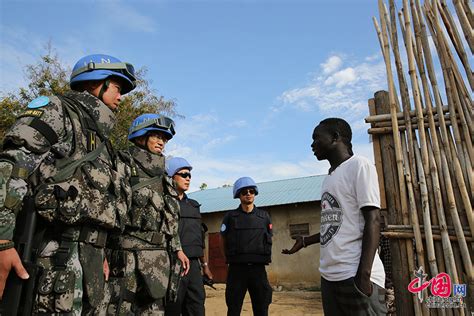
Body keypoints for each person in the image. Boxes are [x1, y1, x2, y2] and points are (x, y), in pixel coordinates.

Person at [0, 54, 136, 315]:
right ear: (96, 82)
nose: (121, 97)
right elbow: (11, 169)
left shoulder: (105, 143)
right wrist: (3, 242)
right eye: (118, 88)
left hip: (92, 263)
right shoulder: (56, 110)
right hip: (54, 257)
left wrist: (100, 252)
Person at [282, 118, 387, 316]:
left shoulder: (359, 166)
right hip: (330, 277)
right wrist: (305, 240)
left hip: (355, 276)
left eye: (316, 138)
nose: (312, 144)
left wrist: (363, 277)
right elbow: (336, 227)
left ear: (335, 138)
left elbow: (373, 220)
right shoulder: (329, 178)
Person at [105, 113, 190, 315]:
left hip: (158, 259)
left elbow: (169, 218)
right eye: (157, 136)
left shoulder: (165, 177)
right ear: (141, 136)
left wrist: (177, 249)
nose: (162, 142)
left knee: (155, 310)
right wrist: (101, 253)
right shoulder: (122, 165)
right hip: (127, 258)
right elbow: (108, 212)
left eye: (165, 139)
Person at [164, 157, 214, 316]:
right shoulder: (162, 203)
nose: (188, 178)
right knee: (172, 307)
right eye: (183, 174)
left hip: (193, 267)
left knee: (196, 308)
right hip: (172, 264)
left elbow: (199, 238)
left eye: (190, 175)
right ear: (171, 177)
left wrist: (204, 265)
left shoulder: (194, 205)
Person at [220, 177, 273, 316]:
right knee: (233, 308)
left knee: (262, 307)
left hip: (258, 269)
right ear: (238, 195)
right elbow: (223, 240)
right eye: (244, 192)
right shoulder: (230, 217)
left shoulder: (264, 216)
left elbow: (268, 238)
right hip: (237, 270)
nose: (248, 194)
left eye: (251, 191)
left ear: (255, 193)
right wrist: (228, 259)